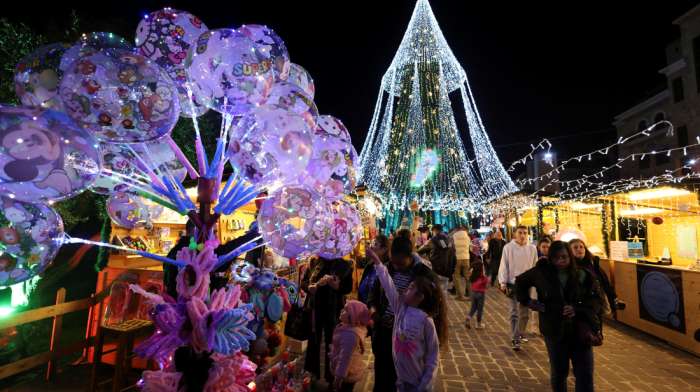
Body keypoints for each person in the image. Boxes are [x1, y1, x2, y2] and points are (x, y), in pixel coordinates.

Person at [515, 241, 603, 392]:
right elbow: (520, 281)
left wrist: (578, 309)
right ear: (550, 257)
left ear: (570, 256)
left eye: (564, 257)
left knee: (585, 375)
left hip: (581, 331)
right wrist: (528, 301)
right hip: (555, 331)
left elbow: (596, 299)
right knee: (559, 373)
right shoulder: (542, 273)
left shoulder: (583, 275)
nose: (560, 261)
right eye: (556, 257)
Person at [366, 245, 448, 392]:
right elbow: (387, 284)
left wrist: (425, 386)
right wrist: (377, 261)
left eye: (410, 288)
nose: (404, 289)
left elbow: (432, 357)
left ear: (420, 297)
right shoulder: (400, 309)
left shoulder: (426, 322)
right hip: (400, 379)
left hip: (417, 383)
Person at [163, 219, 259, 300]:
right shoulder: (193, 252)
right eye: (213, 232)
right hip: (191, 313)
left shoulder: (174, 251)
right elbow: (227, 251)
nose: (216, 237)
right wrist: (255, 235)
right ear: (198, 231)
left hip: (176, 311)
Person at [300, 256, 354, 387]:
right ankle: (310, 375)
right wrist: (308, 287)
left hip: (334, 312)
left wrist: (337, 286)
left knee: (333, 345)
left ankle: (332, 378)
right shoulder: (314, 261)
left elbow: (348, 287)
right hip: (314, 311)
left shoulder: (344, 265)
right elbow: (304, 281)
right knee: (313, 343)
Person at [569, 238, 625, 329]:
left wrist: (614, 299)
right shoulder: (569, 266)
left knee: (595, 331)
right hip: (580, 306)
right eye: (575, 247)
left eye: (581, 247)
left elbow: (605, 283)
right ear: (569, 251)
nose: (579, 249)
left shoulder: (592, 263)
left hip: (595, 304)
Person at [498, 226, 537, 351]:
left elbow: (534, 266)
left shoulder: (532, 248)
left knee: (524, 312)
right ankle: (515, 339)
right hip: (512, 283)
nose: (522, 235)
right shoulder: (508, 248)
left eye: (525, 233)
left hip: (526, 284)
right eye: (520, 233)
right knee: (513, 312)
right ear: (515, 234)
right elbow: (504, 265)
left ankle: (521, 332)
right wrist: (502, 282)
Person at [328, 300, 373, 392]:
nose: (341, 310)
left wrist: (338, 378)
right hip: (345, 371)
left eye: (345, 309)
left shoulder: (350, 335)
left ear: (353, 316)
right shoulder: (346, 328)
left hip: (346, 376)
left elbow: (345, 359)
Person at [417, 224, 456, 292]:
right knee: (443, 293)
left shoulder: (431, 241)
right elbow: (454, 259)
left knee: (432, 292)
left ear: (434, 232)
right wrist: (452, 272)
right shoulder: (451, 242)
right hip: (446, 272)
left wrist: (417, 246)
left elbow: (420, 250)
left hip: (433, 271)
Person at [358, 235, 390, 304]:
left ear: (384, 249)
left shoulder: (389, 268)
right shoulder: (369, 267)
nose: (371, 247)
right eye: (371, 244)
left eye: (375, 244)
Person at [530, 238, 551, 336]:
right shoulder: (534, 255)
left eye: (548, 247)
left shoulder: (552, 256)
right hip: (536, 282)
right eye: (544, 247)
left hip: (548, 283)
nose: (546, 249)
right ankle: (534, 324)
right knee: (535, 302)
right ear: (539, 246)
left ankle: (544, 326)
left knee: (546, 305)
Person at [466, 260, 489, 329]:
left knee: (473, 307)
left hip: (473, 293)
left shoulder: (473, 276)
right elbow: (487, 285)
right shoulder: (483, 277)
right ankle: (478, 323)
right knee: (480, 309)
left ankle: (469, 317)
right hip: (480, 294)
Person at [452, 225, 471, 301]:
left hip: (457, 258)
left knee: (456, 277)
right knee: (468, 277)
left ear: (456, 231)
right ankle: (470, 294)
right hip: (466, 258)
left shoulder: (453, 237)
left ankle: (460, 295)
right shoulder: (468, 237)